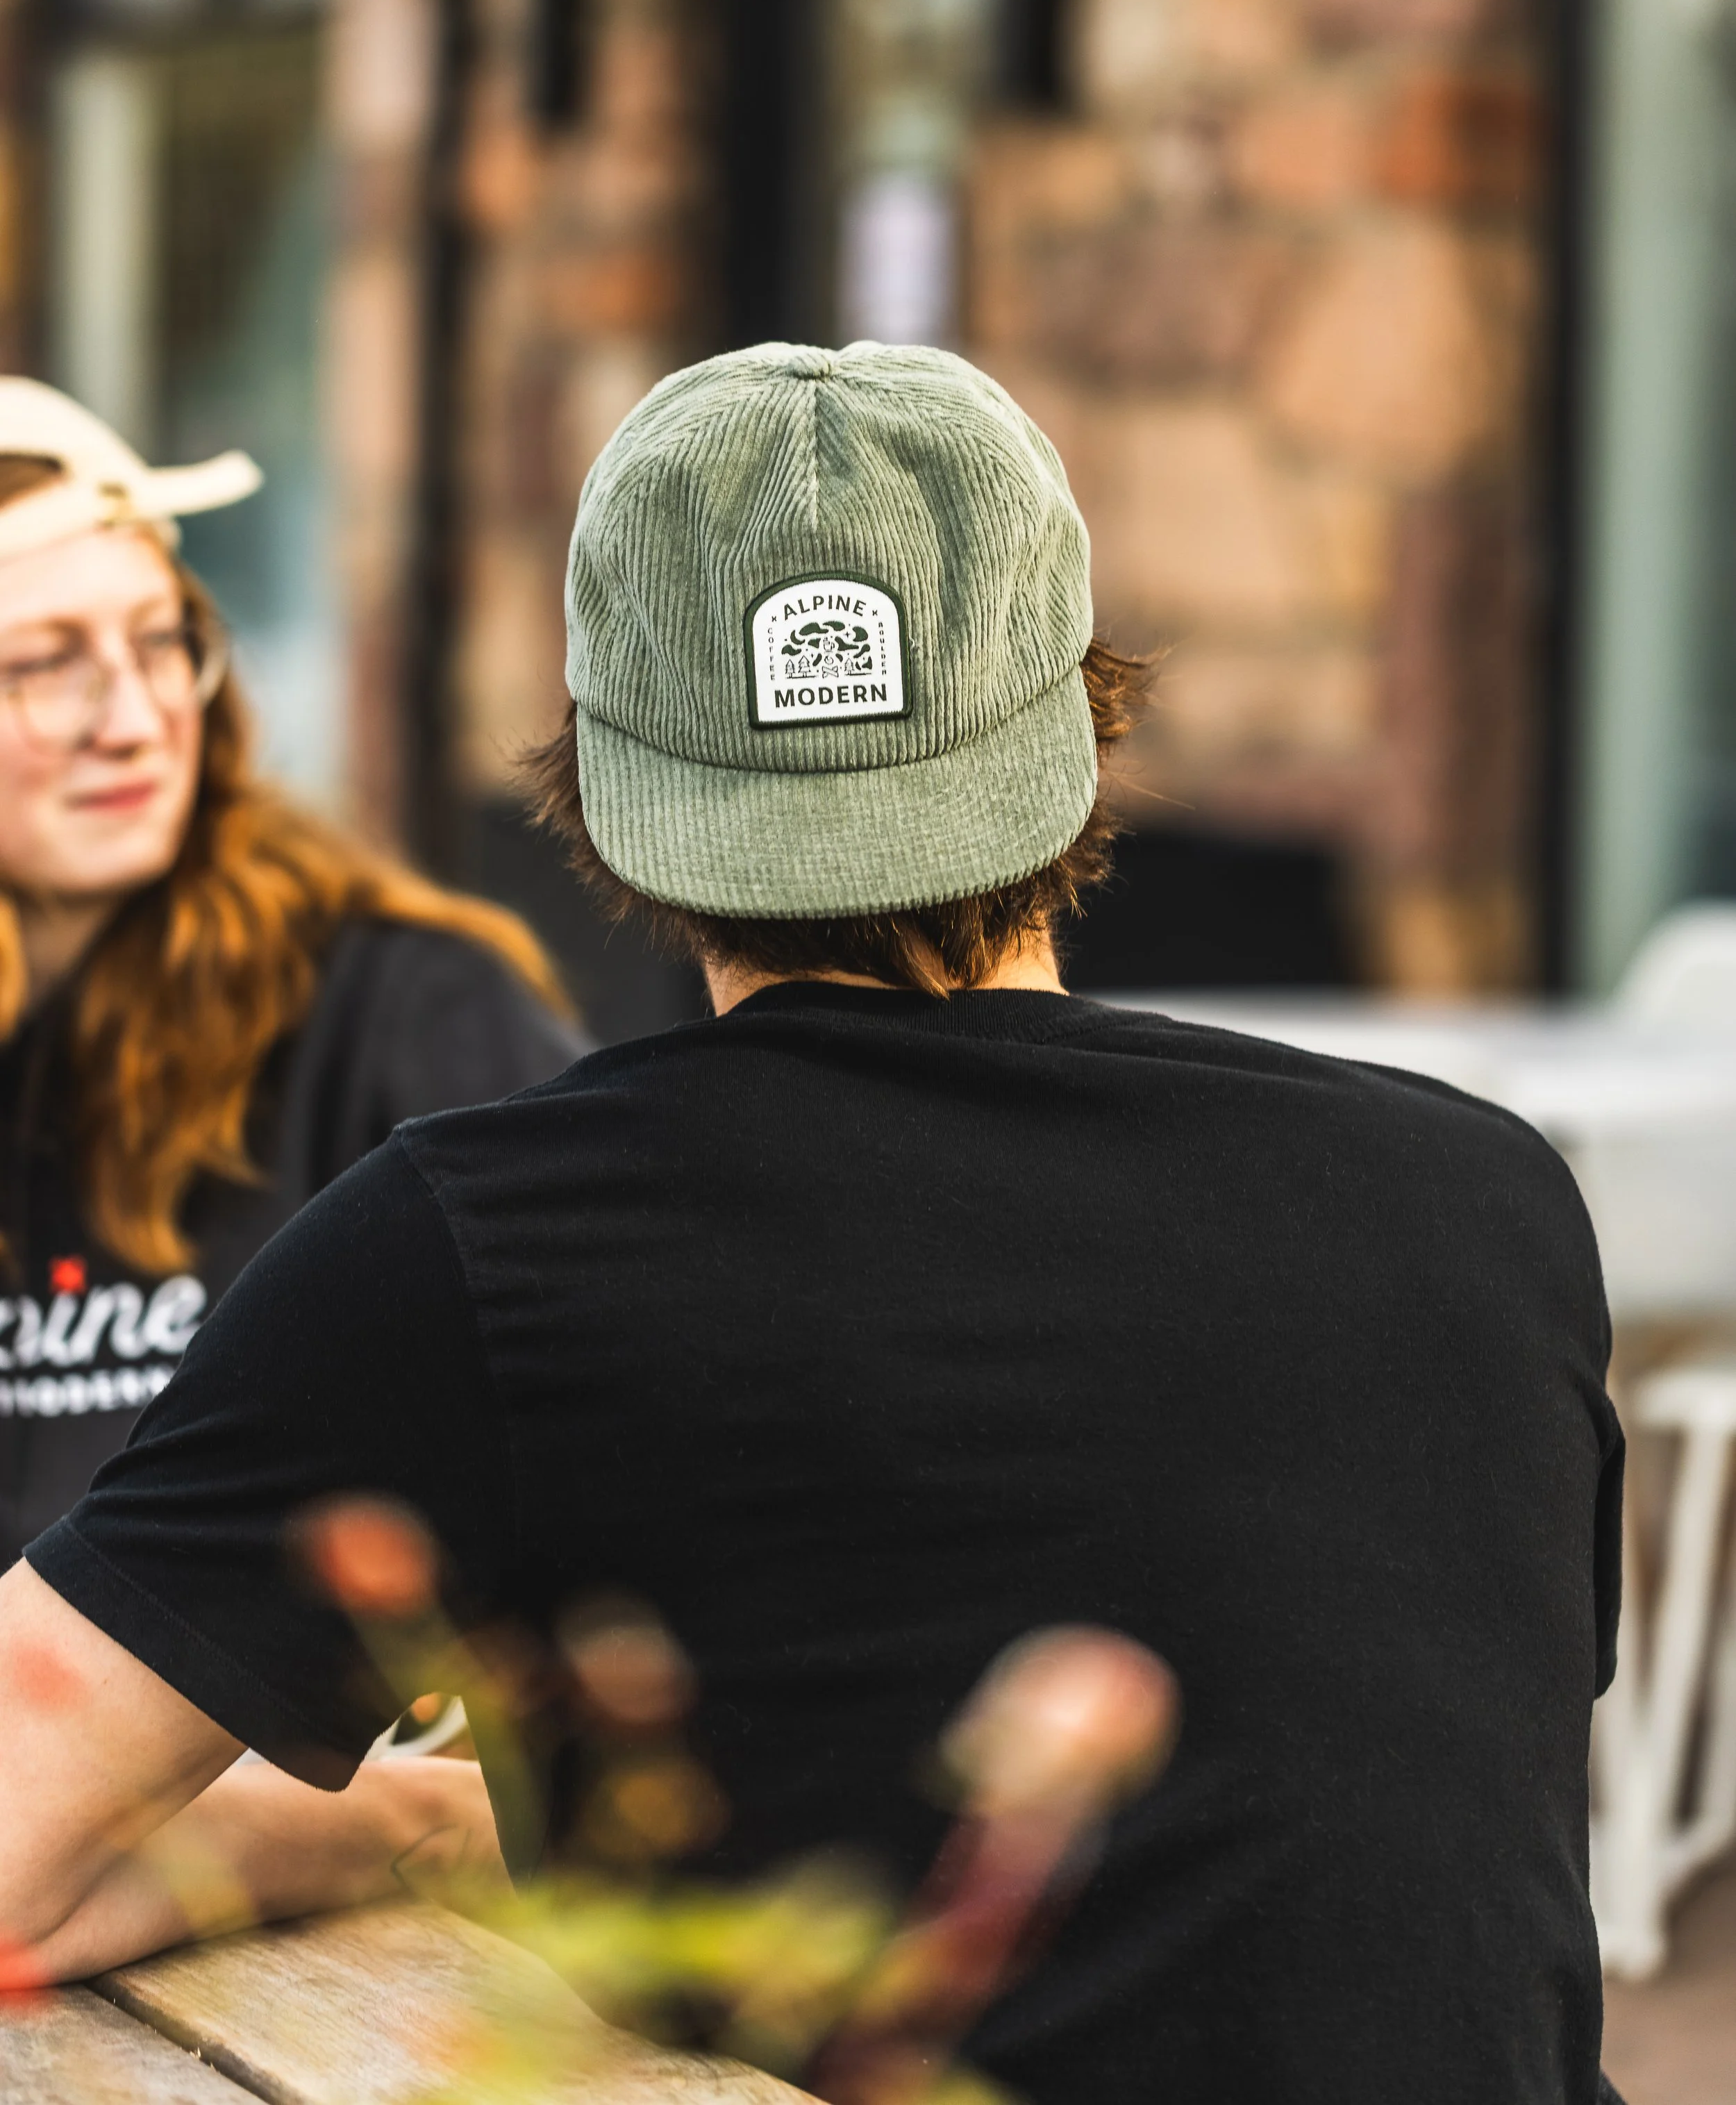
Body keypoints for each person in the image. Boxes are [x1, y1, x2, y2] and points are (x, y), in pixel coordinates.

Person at [0, 344, 1623, 2104]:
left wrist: (391, 1825)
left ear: (599, 781)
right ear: (1082, 724)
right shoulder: (1483, 1194)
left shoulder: (470, 1246)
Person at [0, 378, 582, 1574]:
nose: (136, 717)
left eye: (161, 641)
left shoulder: (405, 1010)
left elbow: (598, 1428)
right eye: (45, 663)